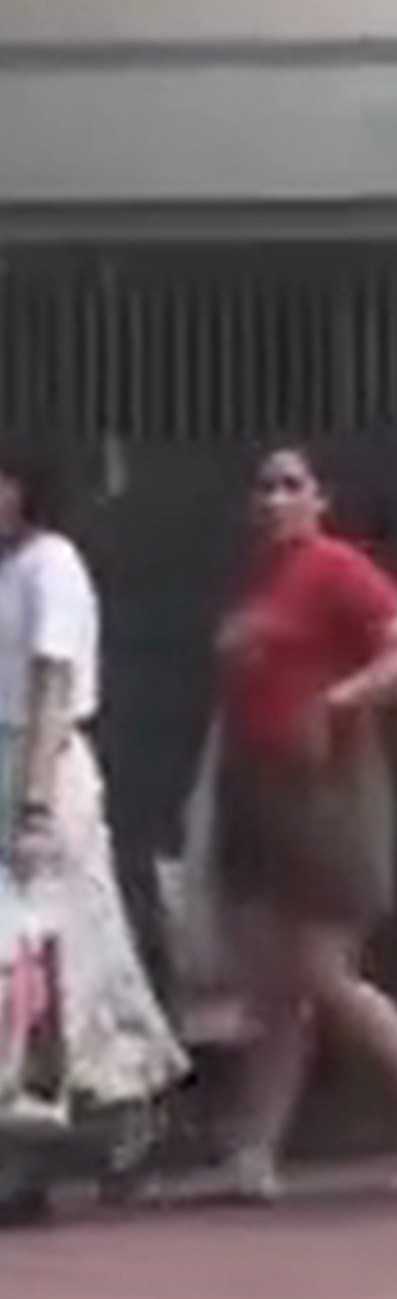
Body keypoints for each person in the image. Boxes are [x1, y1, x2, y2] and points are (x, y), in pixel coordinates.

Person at [209, 443, 397, 1201]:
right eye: (263, 486)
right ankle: (255, 1148)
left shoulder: (337, 569)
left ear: (321, 498)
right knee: (276, 986)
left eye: (292, 485)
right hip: (257, 787)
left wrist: (337, 701)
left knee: (325, 972)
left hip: (328, 789)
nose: (275, 499)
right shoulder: (259, 581)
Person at [0, 443, 183, 1209]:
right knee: (39, 968)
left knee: (55, 962)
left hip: (42, 768)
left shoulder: (53, 566)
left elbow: (53, 681)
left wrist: (34, 801)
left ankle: (115, 1115)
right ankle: (48, 1139)